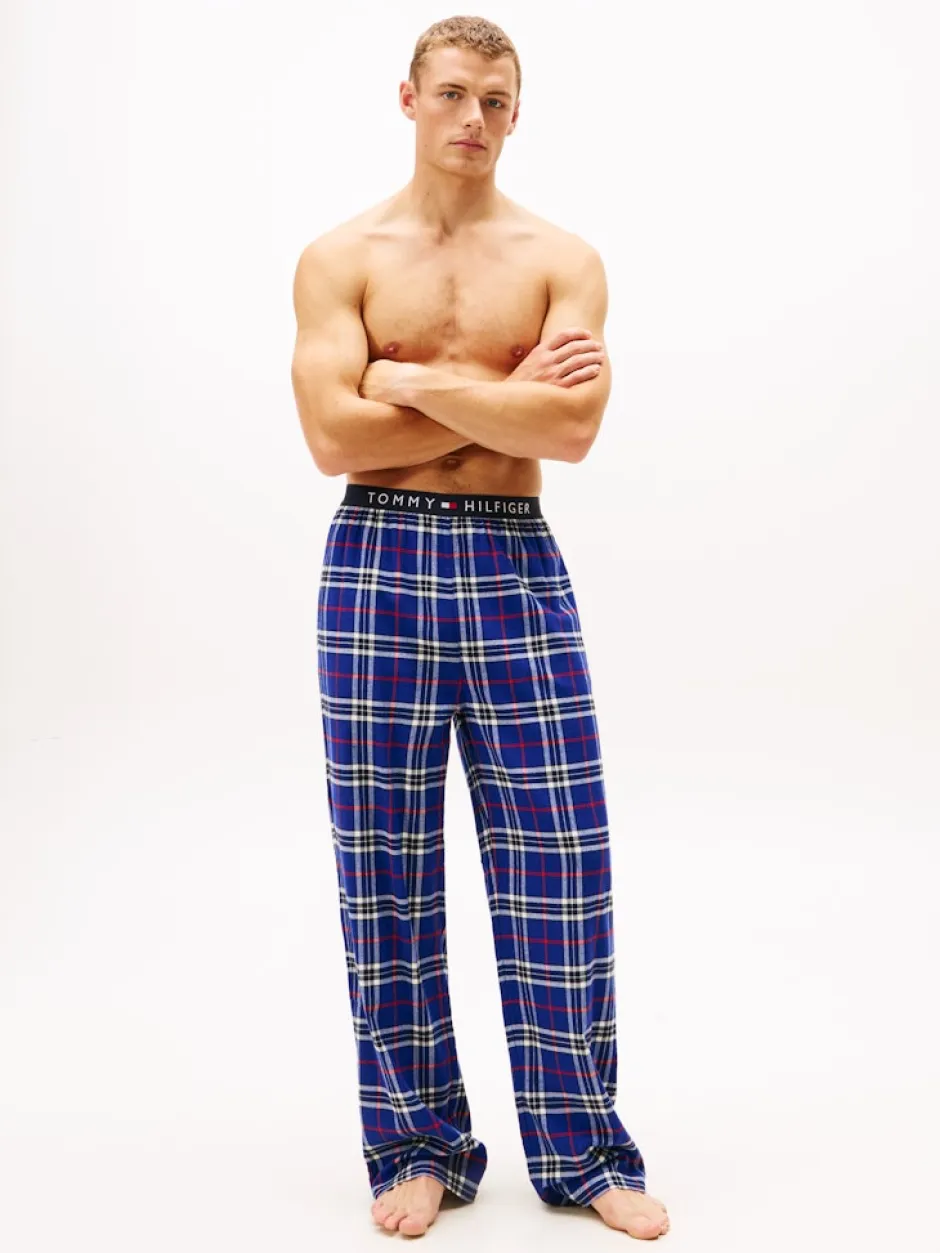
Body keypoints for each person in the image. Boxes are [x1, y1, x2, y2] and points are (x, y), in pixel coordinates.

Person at [290, 15, 671, 1242]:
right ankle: (416, 1146)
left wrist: (407, 379)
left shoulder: (561, 259)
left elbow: (568, 431)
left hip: (512, 556)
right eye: (452, 93)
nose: (473, 118)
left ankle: (580, 1149)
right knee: (385, 867)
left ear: (517, 113)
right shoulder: (339, 258)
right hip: (377, 559)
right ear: (407, 98)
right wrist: (502, 396)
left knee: (561, 860)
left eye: (494, 100)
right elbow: (331, 439)